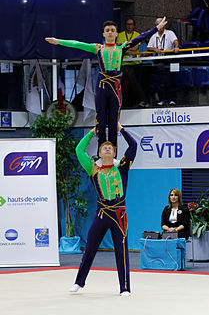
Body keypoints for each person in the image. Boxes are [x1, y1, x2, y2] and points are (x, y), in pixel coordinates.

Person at [45, 18, 167, 151]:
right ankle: (100, 153)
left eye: (112, 30)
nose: (110, 32)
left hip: (115, 89)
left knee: (114, 123)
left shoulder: (121, 47)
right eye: (107, 30)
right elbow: (77, 44)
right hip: (102, 89)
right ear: (103, 34)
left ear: (116, 34)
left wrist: (157, 28)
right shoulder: (98, 48)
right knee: (100, 123)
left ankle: (113, 155)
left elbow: (141, 37)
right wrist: (58, 41)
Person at [69, 122, 137, 296]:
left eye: (110, 147)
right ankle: (79, 282)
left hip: (119, 215)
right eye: (104, 147)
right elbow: (79, 150)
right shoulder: (93, 168)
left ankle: (125, 288)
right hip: (102, 213)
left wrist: (121, 129)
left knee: (121, 251)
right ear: (99, 153)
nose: (107, 149)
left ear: (114, 152)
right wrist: (92, 132)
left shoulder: (122, 167)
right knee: (90, 248)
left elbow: (133, 145)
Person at [147, 17, 179, 106]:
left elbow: (175, 41)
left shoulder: (170, 33)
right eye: (157, 24)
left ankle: (172, 99)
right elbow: (148, 47)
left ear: (164, 25)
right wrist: (155, 49)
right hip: (158, 59)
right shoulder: (154, 35)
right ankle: (162, 99)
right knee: (159, 81)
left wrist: (176, 47)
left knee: (170, 80)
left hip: (169, 58)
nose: (159, 26)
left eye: (161, 24)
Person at [116, 18, 148, 107]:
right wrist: (127, 49)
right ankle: (143, 100)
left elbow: (135, 49)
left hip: (136, 62)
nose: (129, 26)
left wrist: (126, 48)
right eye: (127, 24)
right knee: (132, 79)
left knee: (138, 82)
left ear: (134, 26)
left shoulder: (137, 35)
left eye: (131, 24)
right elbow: (120, 49)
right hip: (126, 63)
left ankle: (137, 101)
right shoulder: (120, 35)